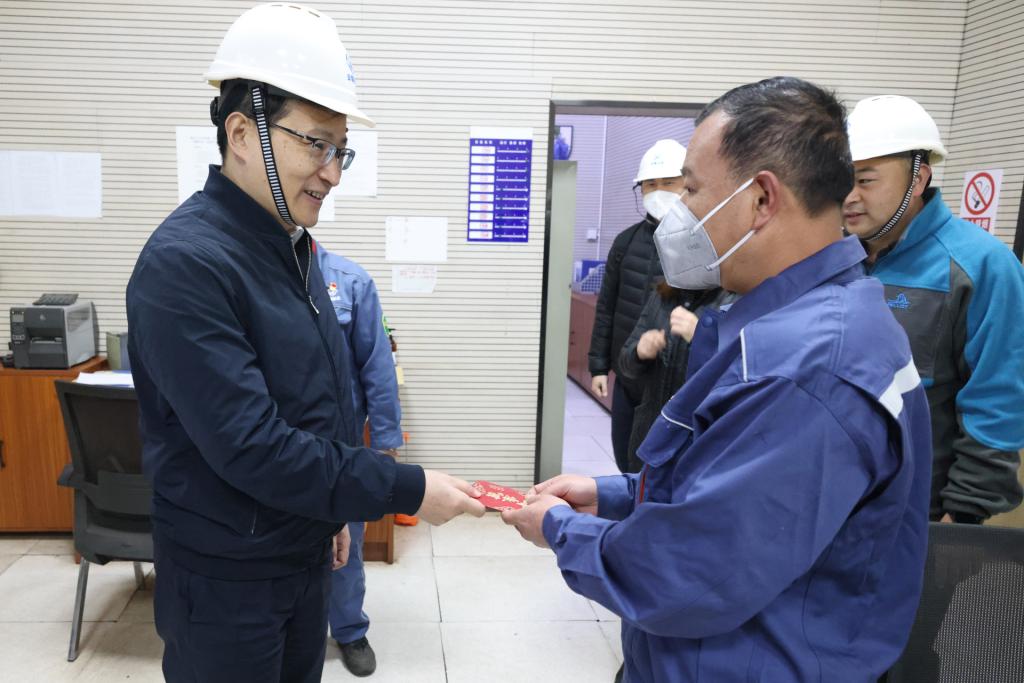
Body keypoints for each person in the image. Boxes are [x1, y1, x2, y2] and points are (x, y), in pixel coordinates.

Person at [504, 77, 933, 681]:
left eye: (692, 190)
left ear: (761, 199)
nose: (679, 212)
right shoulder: (802, 320)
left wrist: (560, 529)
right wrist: (616, 494)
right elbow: (725, 486)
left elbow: (682, 573)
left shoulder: (810, 368)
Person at [126, 5, 484, 681]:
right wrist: (402, 488)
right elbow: (253, 445)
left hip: (302, 551)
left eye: (340, 149)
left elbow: (321, 397)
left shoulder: (292, 247)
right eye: (316, 144)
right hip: (228, 579)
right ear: (242, 133)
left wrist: (333, 511)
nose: (333, 172)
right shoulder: (186, 264)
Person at [843, 95, 1024, 524]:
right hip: (831, 504)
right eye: (840, 180)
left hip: (917, 514)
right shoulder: (834, 257)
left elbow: (998, 399)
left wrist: (964, 512)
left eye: (865, 181)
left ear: (918, 178)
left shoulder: (981, 266)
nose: (848, 197)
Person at [315, 241, 402, 676]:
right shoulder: (253, 273)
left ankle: (349, 629)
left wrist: (385, 441)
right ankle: (293, 627)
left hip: (342, 444)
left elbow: (377, 364)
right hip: (276, 440)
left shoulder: (349, 281)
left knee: (345, 542)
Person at [589, 138, 687, 473]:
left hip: (672, 379)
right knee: (625, 458)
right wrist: (599, 366)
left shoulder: (701, 241)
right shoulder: (626, 241)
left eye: (668, 183)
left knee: (659, 467)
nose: (658, 191)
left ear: (688, 183)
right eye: (650, 184)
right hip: (628, 371)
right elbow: (606, 307)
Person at [616, 282, 733, 472]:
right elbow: (625, 365)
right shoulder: (663, 294)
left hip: (696, 437)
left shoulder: (732, 300)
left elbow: (734, 373)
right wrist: (639, 352)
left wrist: (701, 337)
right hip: (651, 428)